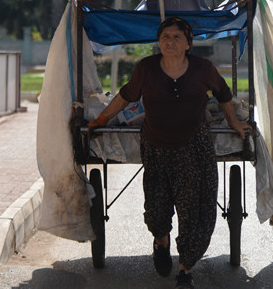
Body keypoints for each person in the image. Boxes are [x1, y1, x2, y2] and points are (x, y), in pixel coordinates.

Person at [88, 17, 251, 289]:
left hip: (194, 148)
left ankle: (185, 269)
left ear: (188, 43)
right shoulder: (146, 69)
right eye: (165, 37)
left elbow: (223, 94)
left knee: (195, 211)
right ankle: (161, 241)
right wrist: (101, 119)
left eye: (177, 37)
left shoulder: (203, 69)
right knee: (156, 210)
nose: (170, 41)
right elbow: (126, 96)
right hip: (156, 147)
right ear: (158, 42)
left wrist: (234, 122)